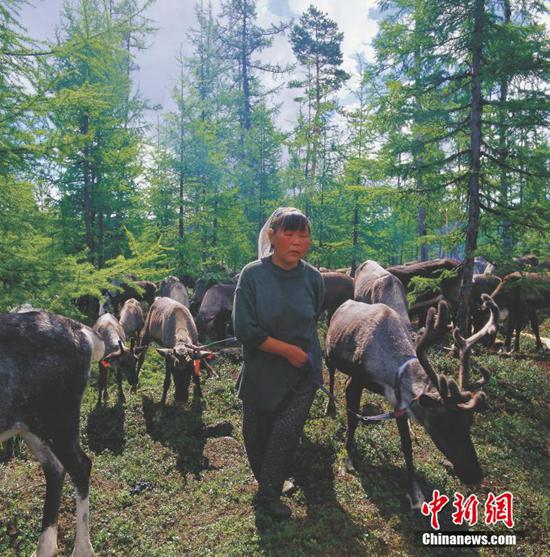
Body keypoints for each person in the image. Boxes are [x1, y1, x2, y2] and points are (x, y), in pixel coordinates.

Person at [232, 207, 325, 519]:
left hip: (303, 372)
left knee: (285, 434)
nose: (297, 241)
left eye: (304, 235)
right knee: (256, 436)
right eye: (289, 233)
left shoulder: (313, 278)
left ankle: (268, 495)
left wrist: (301, 356)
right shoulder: (253, 276)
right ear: (271, 236)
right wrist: (287, 350)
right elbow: (244, 329)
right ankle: (268, 481)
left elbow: (314, 317)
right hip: (262, 372)